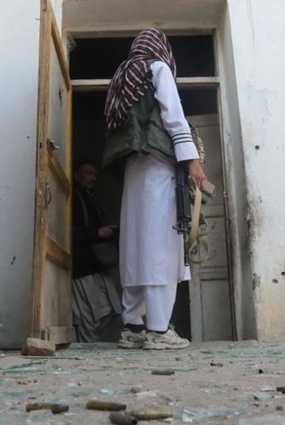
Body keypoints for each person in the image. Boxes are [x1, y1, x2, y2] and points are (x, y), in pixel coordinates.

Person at [102, 29, 207, 350]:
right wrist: (192, 161)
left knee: (135, 246)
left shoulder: (122, 77)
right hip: (160, 164)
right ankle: (159, 331)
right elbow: (173, 117)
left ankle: (134, 327)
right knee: (161, 247)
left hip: (135, 168)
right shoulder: (156, 68)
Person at [71, 160, 124, 343]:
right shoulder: (71, 197)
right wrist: (97, 232)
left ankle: (94, 349)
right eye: (88, 173)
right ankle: (87, 352)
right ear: (76, 174)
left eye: (95, 174)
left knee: (108, 312)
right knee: (89, 318)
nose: (93, 178)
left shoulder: (88, 197)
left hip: (97, 266)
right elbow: (64, 231)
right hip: (82, 267)